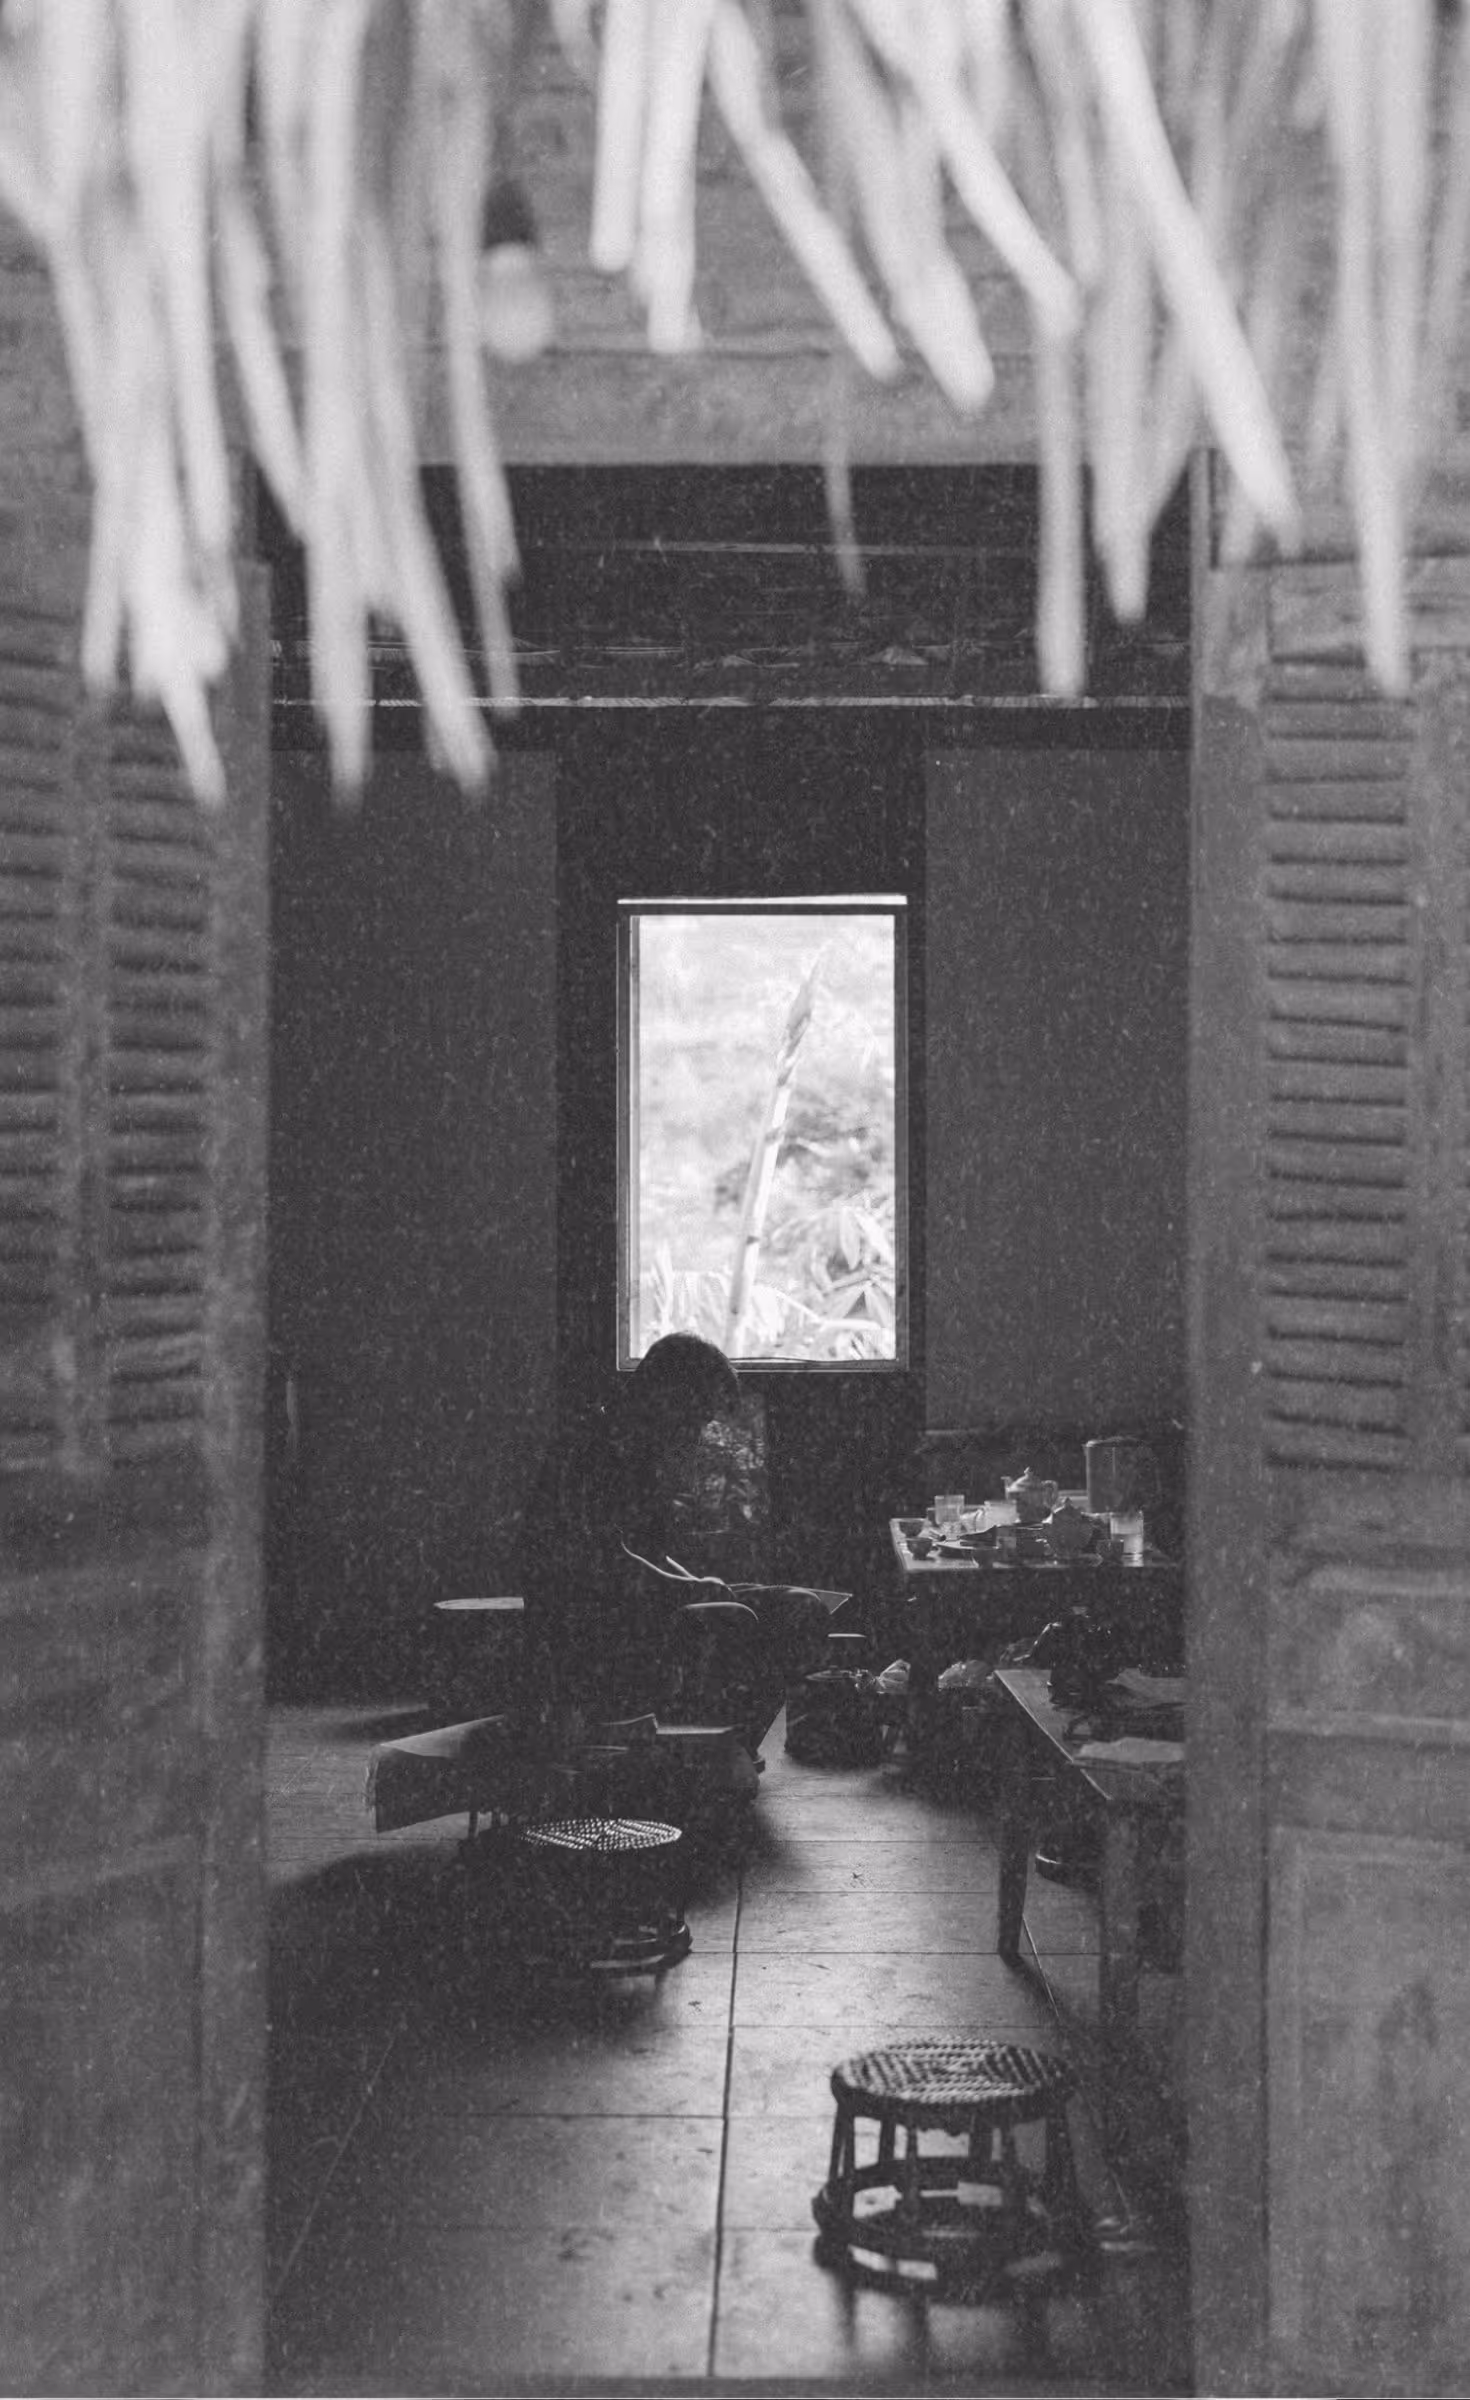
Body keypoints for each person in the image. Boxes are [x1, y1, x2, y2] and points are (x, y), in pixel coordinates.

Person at [512, 1333, 829, 1758]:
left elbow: (652, 1553)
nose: (698, 1432)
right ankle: (704, 1756)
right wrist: (691, 1590)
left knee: (800, 1606)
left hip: (640, 1594)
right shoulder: (594, 1451)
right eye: (697, 1415)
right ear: (668, 1397)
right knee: (736, 1619)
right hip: (591, 1611)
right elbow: (601, 1563)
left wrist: (695, 1581)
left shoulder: (644, 1455)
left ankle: (735, 1747)